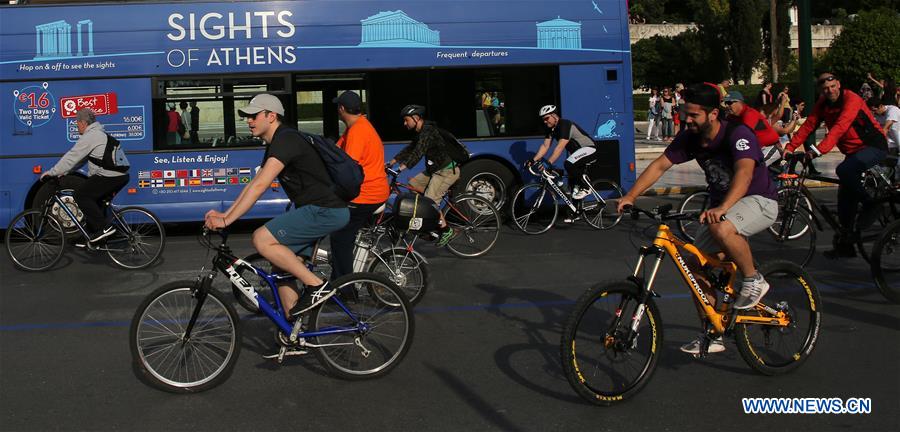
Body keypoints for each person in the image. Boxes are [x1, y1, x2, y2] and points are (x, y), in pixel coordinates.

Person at [617, 83, 779, 354]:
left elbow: (744, 174)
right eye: (685, 114)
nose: (687, 120)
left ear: (713, 114)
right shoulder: (690, 137)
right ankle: (712, 334)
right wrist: (631, 196)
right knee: (693, 265)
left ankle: (754, 279)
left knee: (722, 229)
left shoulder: (737, 134)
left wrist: (723, 206)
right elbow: (660, 165)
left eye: (694, 115)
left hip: (759, 200)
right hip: (723, 209)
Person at [204, 94, 349, 319]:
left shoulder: (286, 140)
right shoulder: (277, 142)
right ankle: (294, 332)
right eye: (247, 117)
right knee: (282, 270)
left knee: (261, 238)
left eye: (254, 116)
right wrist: (226, 214)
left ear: (271, 116)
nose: (249, 121)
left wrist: (227, 221)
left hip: (324, 210)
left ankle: (317, 286)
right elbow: (253, 183)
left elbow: (260, 186)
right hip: (316, 210)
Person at [785, 73, 888, 258]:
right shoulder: (823, 104)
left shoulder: (851, 99)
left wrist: (817, 151)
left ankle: (871, 204)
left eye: (832, 86)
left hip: (873, 146)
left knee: (843, 170)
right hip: (853, 152)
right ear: (820, 90)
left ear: (838, 84)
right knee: (844, 201)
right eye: (825, 88)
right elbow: (809, 125)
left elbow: (840, 127)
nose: (830, 91)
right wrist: (789, 147)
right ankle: (846, 244)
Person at [40, 108, 130, 244]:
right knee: (94, 202)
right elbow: (80, 160)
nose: (77, 127)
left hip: (109, 176)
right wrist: (65, 172)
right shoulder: (98, 134)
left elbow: (72, 157)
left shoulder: (91, 136)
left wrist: (52, 172)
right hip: (118, 176)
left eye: (77, 123)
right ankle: (91, 235)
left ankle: (104, 229)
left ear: (83, 122)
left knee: (81, 195)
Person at [329, 91, 390, 280]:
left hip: (366, 194)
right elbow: (334, 151)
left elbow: (348, 167)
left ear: (341, 109)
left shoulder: (358, 131)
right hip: (373, 191)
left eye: (338, 108)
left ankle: (344, 286)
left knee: (340, 236)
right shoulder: (356, 126)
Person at [387, 104, 458, 246]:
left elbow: (418, 153)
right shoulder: (420, 132)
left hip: (445, 171)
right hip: (434, 170)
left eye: (406, 120)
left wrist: (400, 169)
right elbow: (410, 148)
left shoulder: (428, 131)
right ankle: (427, 220)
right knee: (413, 184)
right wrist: (391, 162)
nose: (405, 123)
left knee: (431, 201)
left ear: (416, 118)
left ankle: (446, 230)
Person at [529, 104, 600, 223]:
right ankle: (577, 212)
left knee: (568, 163)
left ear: (554, 116)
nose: (545, 122)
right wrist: (533, 160)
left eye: (546, 118)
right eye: (543, 120)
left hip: (589, 149)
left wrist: (548, 163)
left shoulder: (564, 125)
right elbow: (545, 146)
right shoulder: (551, 129)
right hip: (578, 153)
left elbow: (560, 147)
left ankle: (586, 187)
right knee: (573, 184)